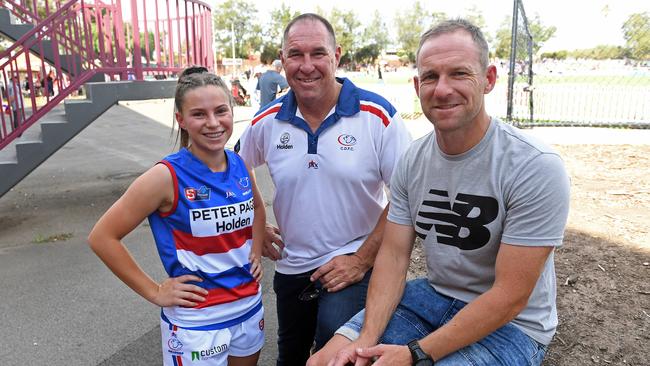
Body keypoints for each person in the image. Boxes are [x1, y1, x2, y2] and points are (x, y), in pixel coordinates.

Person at [309, 18, 570, 366]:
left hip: (514, 326)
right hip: (432, 296)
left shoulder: (534, 166)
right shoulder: (413, 160)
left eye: (459, 74)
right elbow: (394, 257)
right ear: (418, 85)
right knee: (324, 361)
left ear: (488, 79)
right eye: (431, 77)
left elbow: (510, 296)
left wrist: (415, 354)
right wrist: (365, 341)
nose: (442, 89)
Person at [236, 13, 412, 366]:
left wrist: (361, 260)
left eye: (318, 53)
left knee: (338, 352)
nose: (307, 66)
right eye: (295, 55)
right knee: (290, 355)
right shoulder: (266, 121)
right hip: (291, 266)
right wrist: (256, 223)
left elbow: (407, 198)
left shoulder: (377, 116)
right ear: (282, 59)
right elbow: (232, 169)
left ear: (337, 56)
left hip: (352, 263)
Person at [88, 66, 266, 366]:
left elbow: (258, 209)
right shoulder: (165, 176)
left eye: (221, 111)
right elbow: (102, 237)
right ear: (181, 120)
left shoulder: (239, 163)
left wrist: (256, 252)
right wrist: (155, 291)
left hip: (248, 306)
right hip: (197, 320)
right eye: (199, 114)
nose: (213, 123)